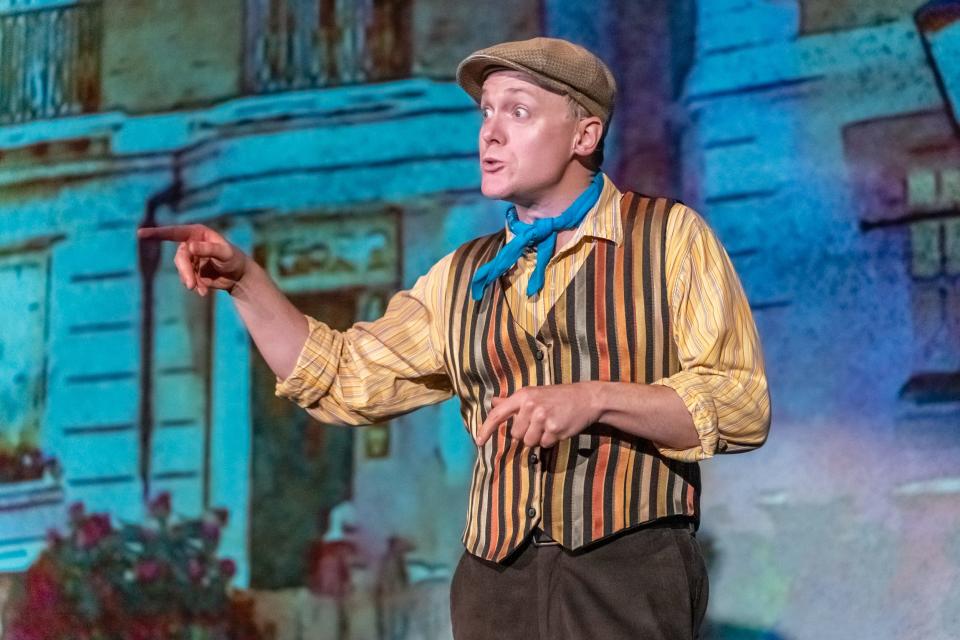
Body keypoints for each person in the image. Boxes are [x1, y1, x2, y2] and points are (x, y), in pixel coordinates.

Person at [138, 36, 771, 639]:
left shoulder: (668, 239)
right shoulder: (461, 274)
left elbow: (741, 403)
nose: (490, 132)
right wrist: (246, 282)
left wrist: (595, 399)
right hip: (497, 578)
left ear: (585, 134)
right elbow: (339, 378)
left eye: (518, 112)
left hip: (625, 571)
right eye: (487, 112)